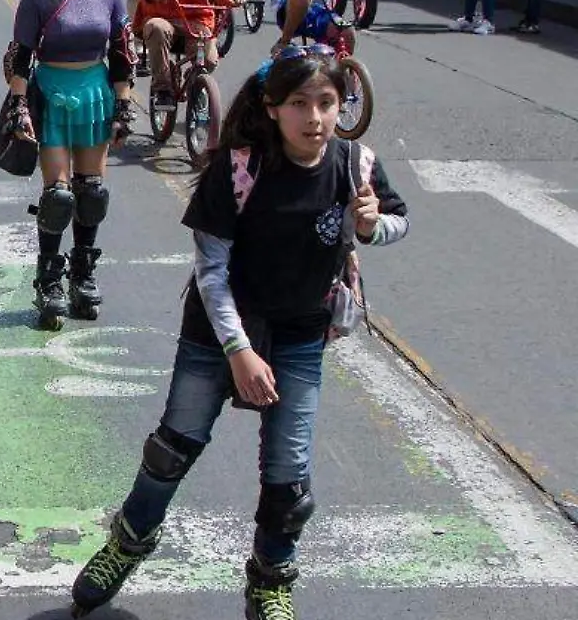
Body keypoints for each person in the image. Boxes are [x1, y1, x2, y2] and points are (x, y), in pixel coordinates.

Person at [70, 47, 409, 620]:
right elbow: (210, 271)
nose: (315, 118)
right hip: (217, 333)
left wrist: (374, 227)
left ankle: (270, 581)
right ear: (273, 108)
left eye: (327, 103)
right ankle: (127, 543)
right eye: (299, 104)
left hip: (302, 332)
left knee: (290, 476)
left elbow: (399, 221)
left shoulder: (356, 163)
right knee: (171, 450)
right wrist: (240, 352)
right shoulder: (239, 169)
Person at [4, 0, 133, 330]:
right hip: (52, 95)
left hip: (95, 93)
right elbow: (21, 57)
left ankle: (83, 274)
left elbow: (121, 55)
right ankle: (48, 280)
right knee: (58, 196)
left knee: (91, 193)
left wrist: (123, 107)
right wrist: (20, 106)